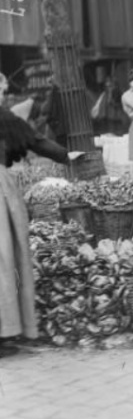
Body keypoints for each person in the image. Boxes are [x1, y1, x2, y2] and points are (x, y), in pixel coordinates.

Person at [0, 73, 84, 355]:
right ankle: (5, 329)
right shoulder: (4, 116)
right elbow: (34, 139)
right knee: (5, 256)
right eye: (1, 89)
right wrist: (64, 155)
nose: (3, 95)